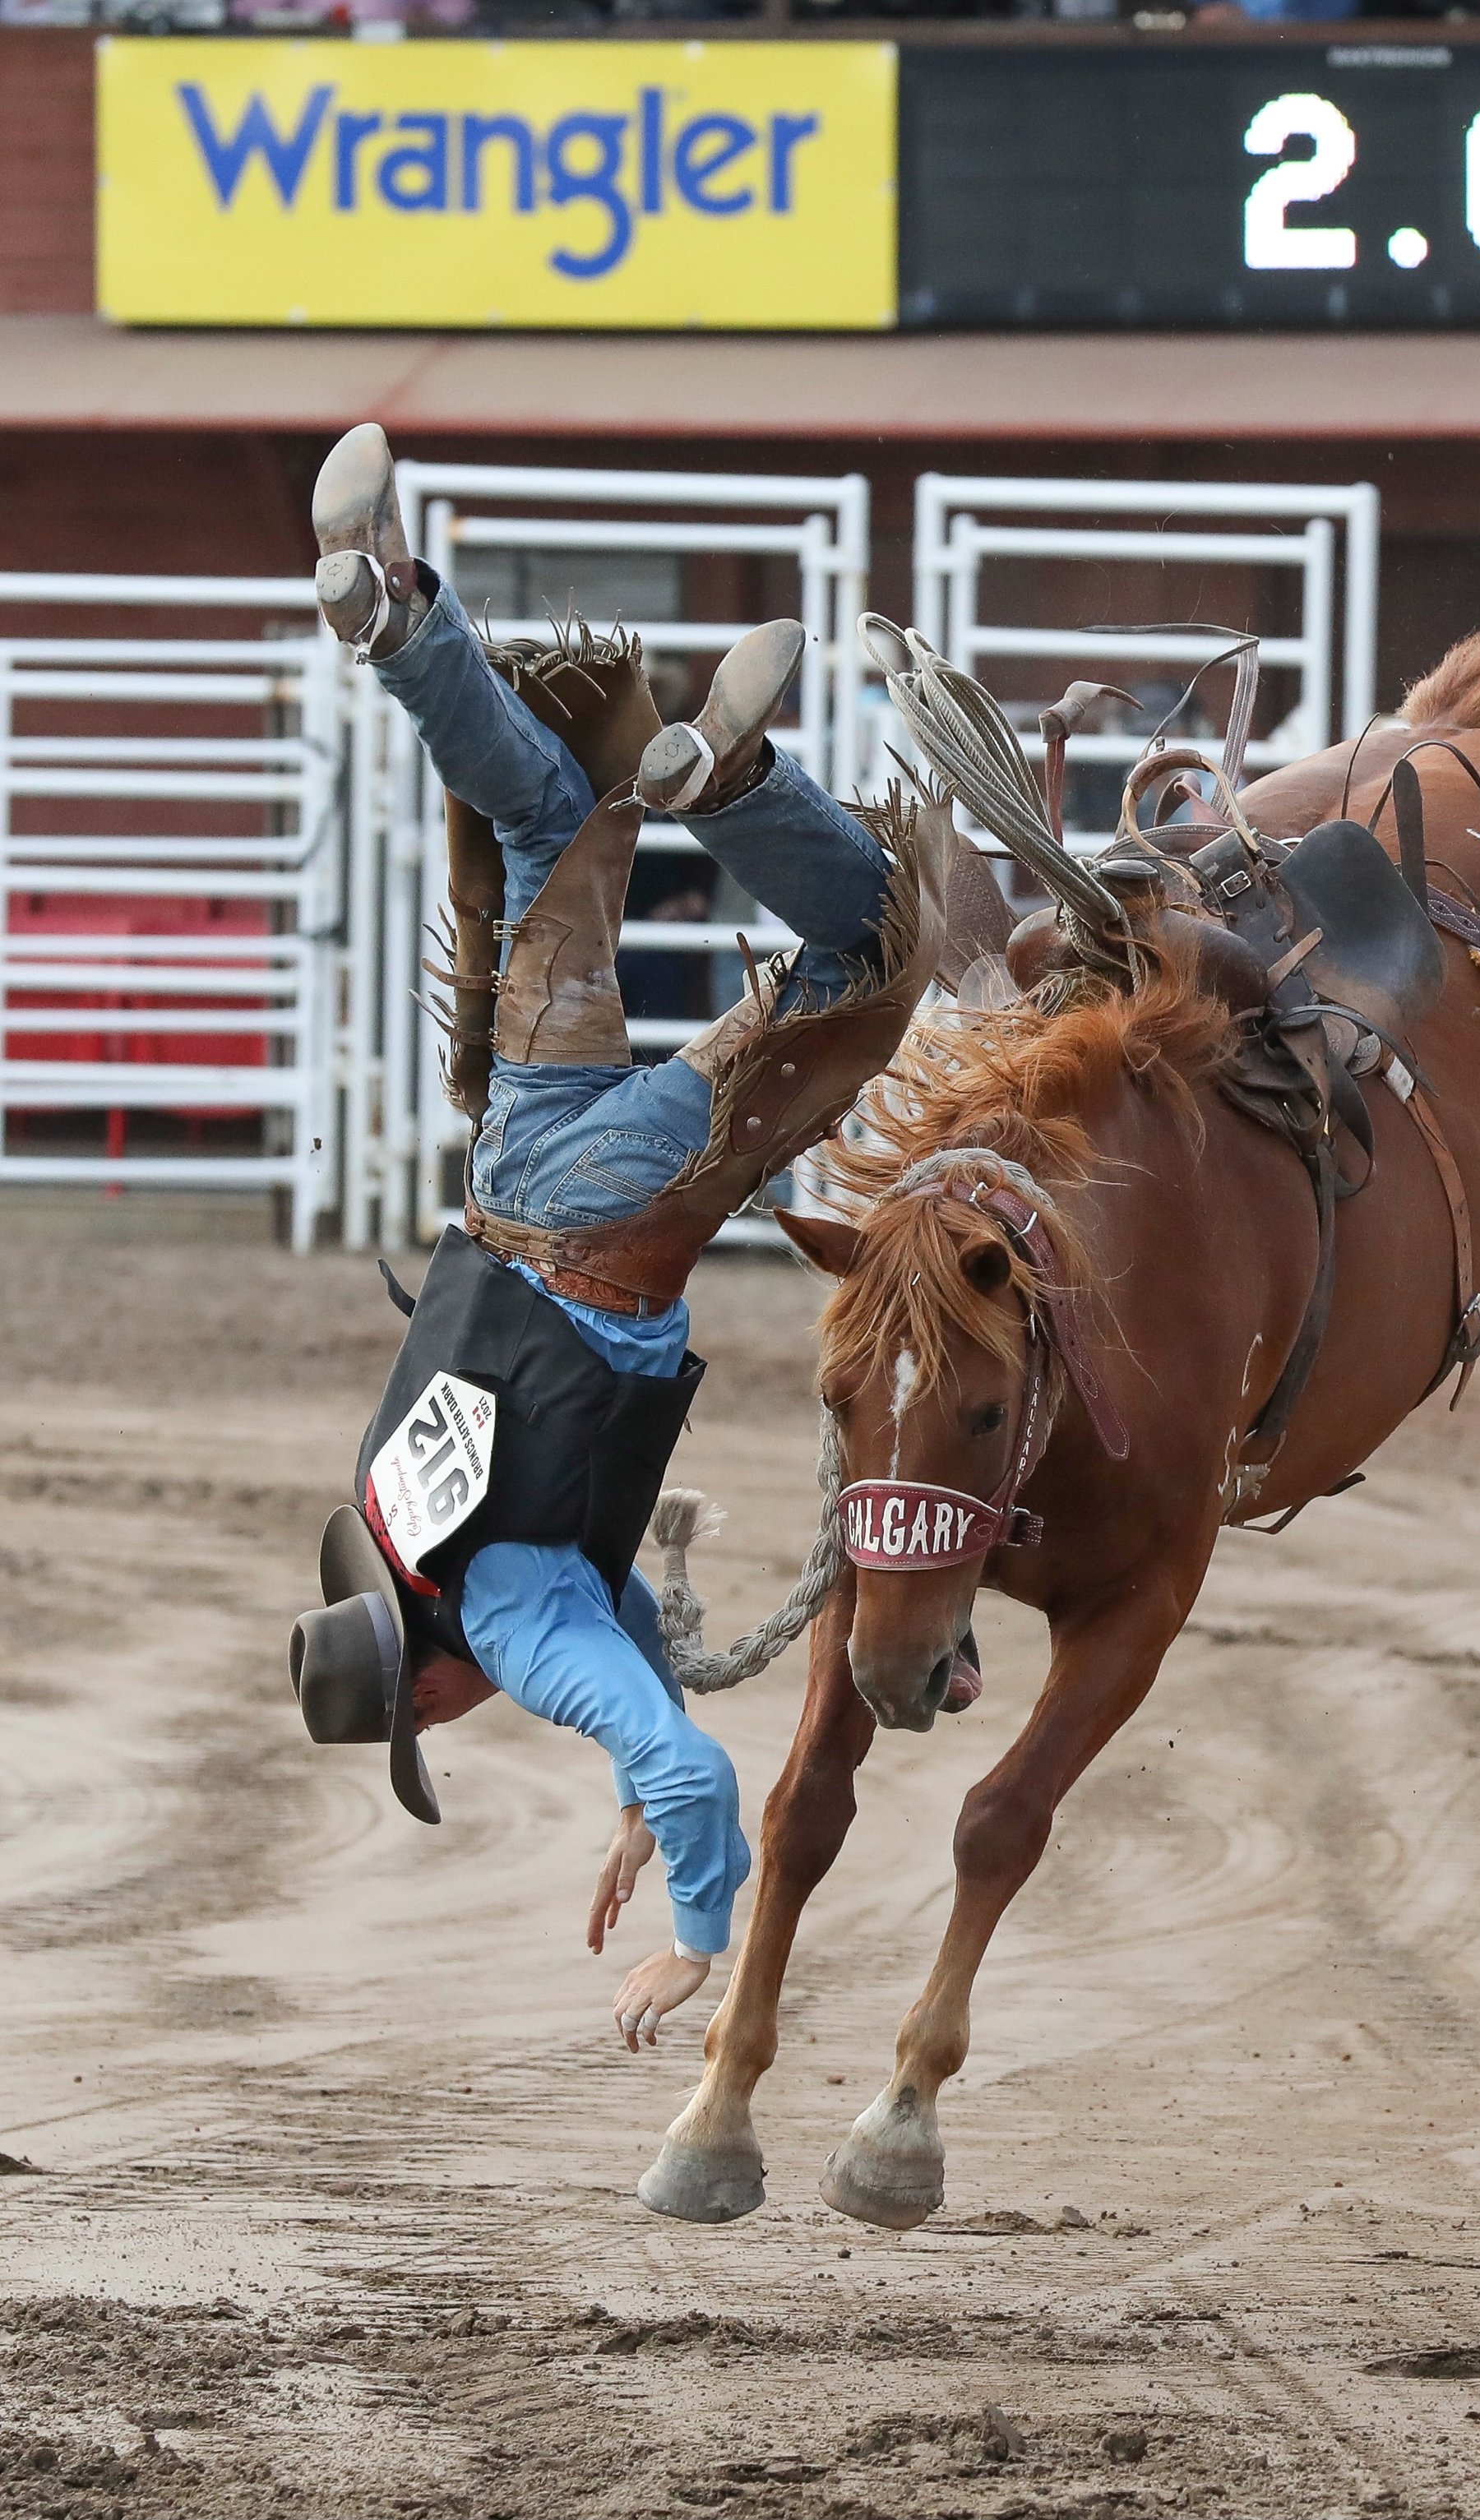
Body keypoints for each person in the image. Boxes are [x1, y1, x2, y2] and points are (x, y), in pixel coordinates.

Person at [284, 424, 948, 2060]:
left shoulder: (502, 1620)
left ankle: (723, 780)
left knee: (868, 968)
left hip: (605, 1217)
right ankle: (398, 616)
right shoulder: (407, 1511)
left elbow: (675, 1743)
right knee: (543, 832)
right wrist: (638, 1760)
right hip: (509, 1160)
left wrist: (698, 1932)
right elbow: (614, 1620)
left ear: (432, 1692)